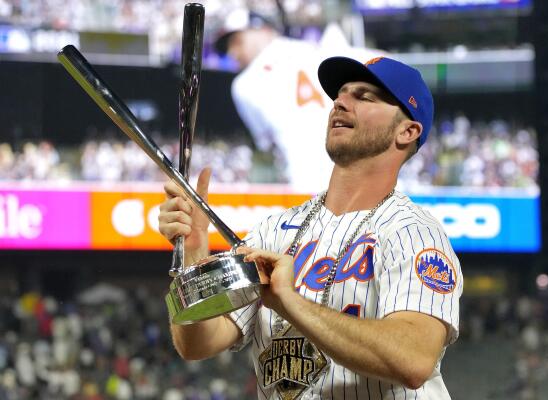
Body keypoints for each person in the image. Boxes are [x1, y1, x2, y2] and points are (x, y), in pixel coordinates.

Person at [158, 56, 463, 399]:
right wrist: (193, 253)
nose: (340, 102)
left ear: (407, 131)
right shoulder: (274, 230)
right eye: (341, 94)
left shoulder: (414, 233)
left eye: (365, 97)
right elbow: (198, 342)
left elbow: (414, 359)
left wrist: (290, 302)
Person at [213, 8, 384, 191]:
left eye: (237, 41)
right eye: (228, 48)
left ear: (264, 31)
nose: (232, 52)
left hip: (306, 184)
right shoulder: (318, 50)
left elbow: (267, 147)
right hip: (365, 178)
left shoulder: (244, 84)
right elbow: (384, 63)